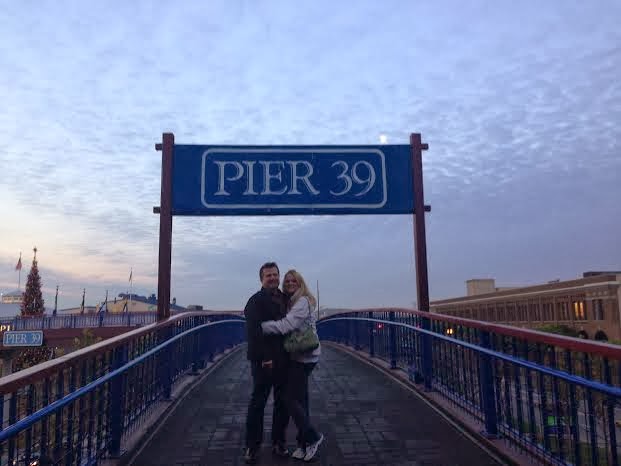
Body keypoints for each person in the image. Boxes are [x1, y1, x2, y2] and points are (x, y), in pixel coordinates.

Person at [261, 269, 325, 462]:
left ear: (300, 283)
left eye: (293, 281)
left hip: (305, 357)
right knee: (301, 401)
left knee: (289, 398)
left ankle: (312, 437)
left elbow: (286, 325)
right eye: (287, 281)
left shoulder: (302, 301)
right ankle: (304, 444)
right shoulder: (291, 301)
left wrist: (261, 326)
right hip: (298, 357)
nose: (289, 283)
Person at [243, 262, 291, 464]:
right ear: (261, 279)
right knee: (258, 402)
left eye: (275, 274)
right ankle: (252, 446)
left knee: (283, 402)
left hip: (285, 358)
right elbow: (254, 333)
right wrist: (265, 358)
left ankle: (279, 442)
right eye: (268, 275)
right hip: (264, 360)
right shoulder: (254, 301)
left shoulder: (286, 299)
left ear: (279, 276)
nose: (272, 278)